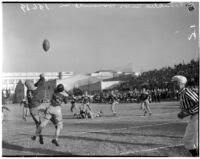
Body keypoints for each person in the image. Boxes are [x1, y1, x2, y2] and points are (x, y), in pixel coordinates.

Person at [172, 75, 199, 157]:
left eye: (174, 82)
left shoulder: (187, 91)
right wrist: (184, 113)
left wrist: (187, 112)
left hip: (198, 116)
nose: (173, 84)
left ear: (180, 83)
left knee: (196, 141)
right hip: (193, 117)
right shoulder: (181, 93)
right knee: (187, 140)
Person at [25, 74, 47, 143]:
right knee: (39, 124)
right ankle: (38, 136)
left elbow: (36, 84)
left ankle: (38, 136)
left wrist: (41, 79)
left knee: (38, 124)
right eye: (31, 82)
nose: (32, 83)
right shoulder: (35, 90)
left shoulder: (28, 91)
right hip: (38, 107)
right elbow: (40, 83)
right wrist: (42, 78)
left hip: (33, 109)